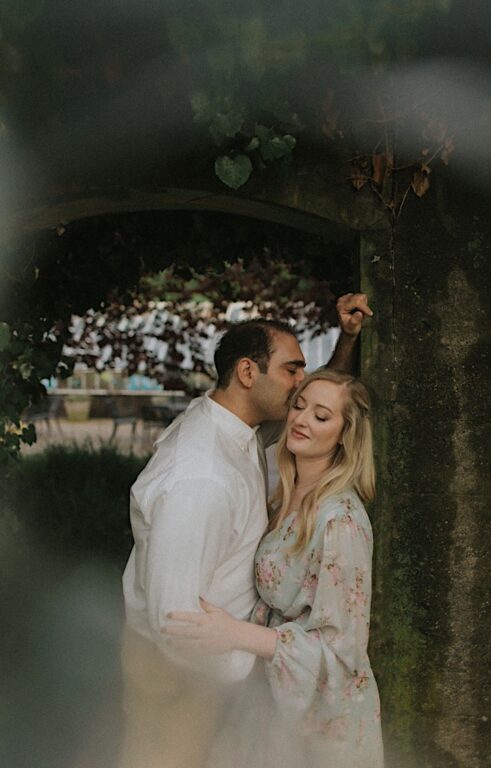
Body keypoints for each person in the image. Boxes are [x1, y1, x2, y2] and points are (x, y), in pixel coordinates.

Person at [119, 293, 372, 768]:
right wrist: (243, 665)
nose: (302, 387)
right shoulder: (202, 479)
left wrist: (348, 341)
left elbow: (322, 411)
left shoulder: (235, 428)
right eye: (292, 370)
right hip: (184, 677)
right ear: (248, 373)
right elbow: (174, 622)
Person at [163, 370, 383, 768]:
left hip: (319, 724)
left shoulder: (340, 521)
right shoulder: (281, 492)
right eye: (298, 406)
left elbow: (341, 652)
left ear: (344, 435)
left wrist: (234, 633)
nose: (300, 420)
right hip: (267, 702)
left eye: (321, 416)